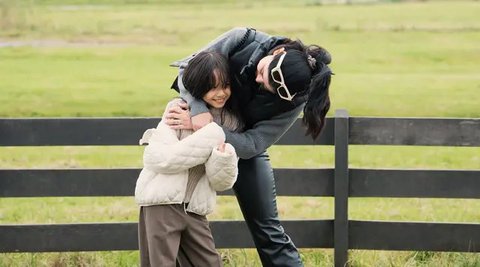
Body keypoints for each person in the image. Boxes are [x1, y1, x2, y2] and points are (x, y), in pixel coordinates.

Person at [168, 27, 333, 267]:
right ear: (278, 51)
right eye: (263, 71)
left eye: (267, 87)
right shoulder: (242, 39)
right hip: (190, 130)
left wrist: (210, 129)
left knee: (268, 228)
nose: (257, 80)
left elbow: (254, 144)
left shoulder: (294, 101)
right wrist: (198, 113)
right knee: (173, 210)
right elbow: (187, 70)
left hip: (240, 147)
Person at [135, 51, 242, 267]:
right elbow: (159, 159)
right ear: (198, 85)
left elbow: (222, 182)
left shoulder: (230, 123)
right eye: (212, 87)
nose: (221, 93)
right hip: (162, 205)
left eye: (225, 85)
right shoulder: (178, 110)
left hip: (195, 210)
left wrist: (221, 152)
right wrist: (211, 135)